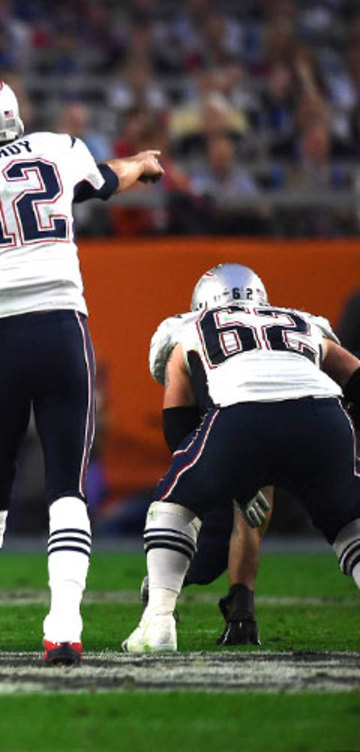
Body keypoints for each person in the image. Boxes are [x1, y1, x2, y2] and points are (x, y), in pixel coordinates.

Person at [0, 75, 165, 665]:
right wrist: (140, 162)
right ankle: (64, 625)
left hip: (1, 335)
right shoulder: (56, 150)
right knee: (66, 485)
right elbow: (103, 178)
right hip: (66, 332)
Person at [124, 263, 360, 652]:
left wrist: (226, 474)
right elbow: (353, 373)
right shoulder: (302, 322)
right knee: (348, 520)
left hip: (240, 414)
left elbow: (177, 425)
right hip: (324, 415)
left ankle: (159, 621)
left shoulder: (186, 329)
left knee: (172, 502)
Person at [145, 287, 281, 646]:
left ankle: (241, 613)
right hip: (214, 432)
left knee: (246, 520)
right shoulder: (188, 337)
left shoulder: (187, 331)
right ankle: (160, 599)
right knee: (203, 548)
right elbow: (179, 430)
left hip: (255, 426)